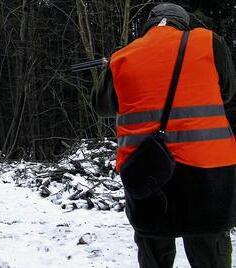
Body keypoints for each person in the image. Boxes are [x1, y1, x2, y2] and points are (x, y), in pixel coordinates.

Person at [92, 3, 236, 268]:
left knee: (154, 250)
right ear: (183, 24)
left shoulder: (122, 56)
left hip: (149, 173)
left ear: (149, 24)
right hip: (209, 174)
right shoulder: (210, 43)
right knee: (210, 249)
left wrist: (111, 68)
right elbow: (226, 92)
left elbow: (101, 106)